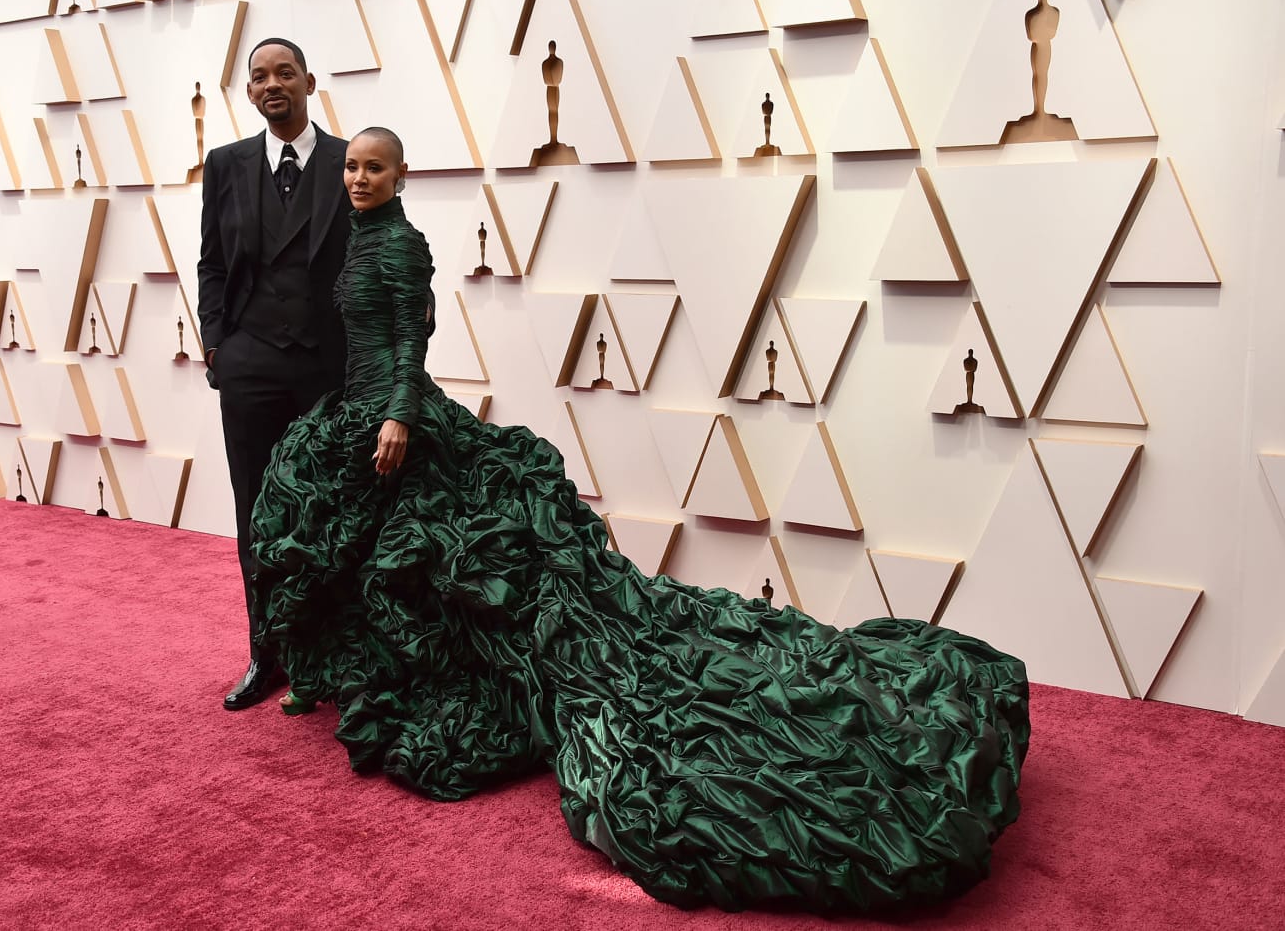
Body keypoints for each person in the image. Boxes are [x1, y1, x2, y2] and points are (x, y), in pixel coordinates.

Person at [249, 127, 1030, 915]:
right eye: (351, 166)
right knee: (364, 551)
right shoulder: (360, 240)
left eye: (372, 167)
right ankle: (363, 677)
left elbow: (413, 342)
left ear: (400, 173)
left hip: (395, 422)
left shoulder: (403, 247)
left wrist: (398, 418)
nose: (357, 177)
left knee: (457, 570)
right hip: (358, 413)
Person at [196, 37, 353, 711]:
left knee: (334, 511)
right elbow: (210, 262)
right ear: (251, 92)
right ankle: (269, 654)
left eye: (283, 71)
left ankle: (339, 657)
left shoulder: (353, 161)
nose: (271, 83)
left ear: (309, 81)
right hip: (251, 364)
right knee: (256, 511)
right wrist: (217, 346)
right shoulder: (226, 164)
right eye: (258, 76)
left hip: (328, 367)